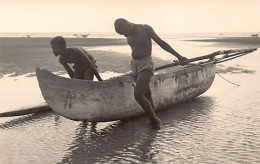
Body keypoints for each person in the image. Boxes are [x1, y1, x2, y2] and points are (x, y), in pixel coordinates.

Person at [114, 18, 188, 129]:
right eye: (122, 34)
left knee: (138, 95)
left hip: (146, 65)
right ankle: (152, 119)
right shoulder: (127, 31)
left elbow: (162, 43)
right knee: (147, 94)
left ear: (129, 24)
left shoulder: (145, 28)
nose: (124, 35)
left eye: (125, 32)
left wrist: (179, 56)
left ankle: (155, 120)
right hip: (134, 65)